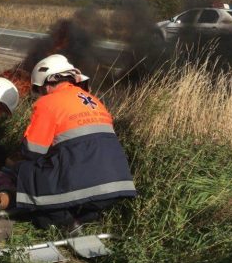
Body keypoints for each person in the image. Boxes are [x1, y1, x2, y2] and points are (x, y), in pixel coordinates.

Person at [7, 54, 136, 230]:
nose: (40, 93)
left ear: (47, 82)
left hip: (85, 182)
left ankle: (65, 224)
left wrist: (14, 162)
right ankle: (86, 218)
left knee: (26, 171)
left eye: (39, 89)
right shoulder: (94, 101)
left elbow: (33, 151)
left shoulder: (48, 102)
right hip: (118, 184)